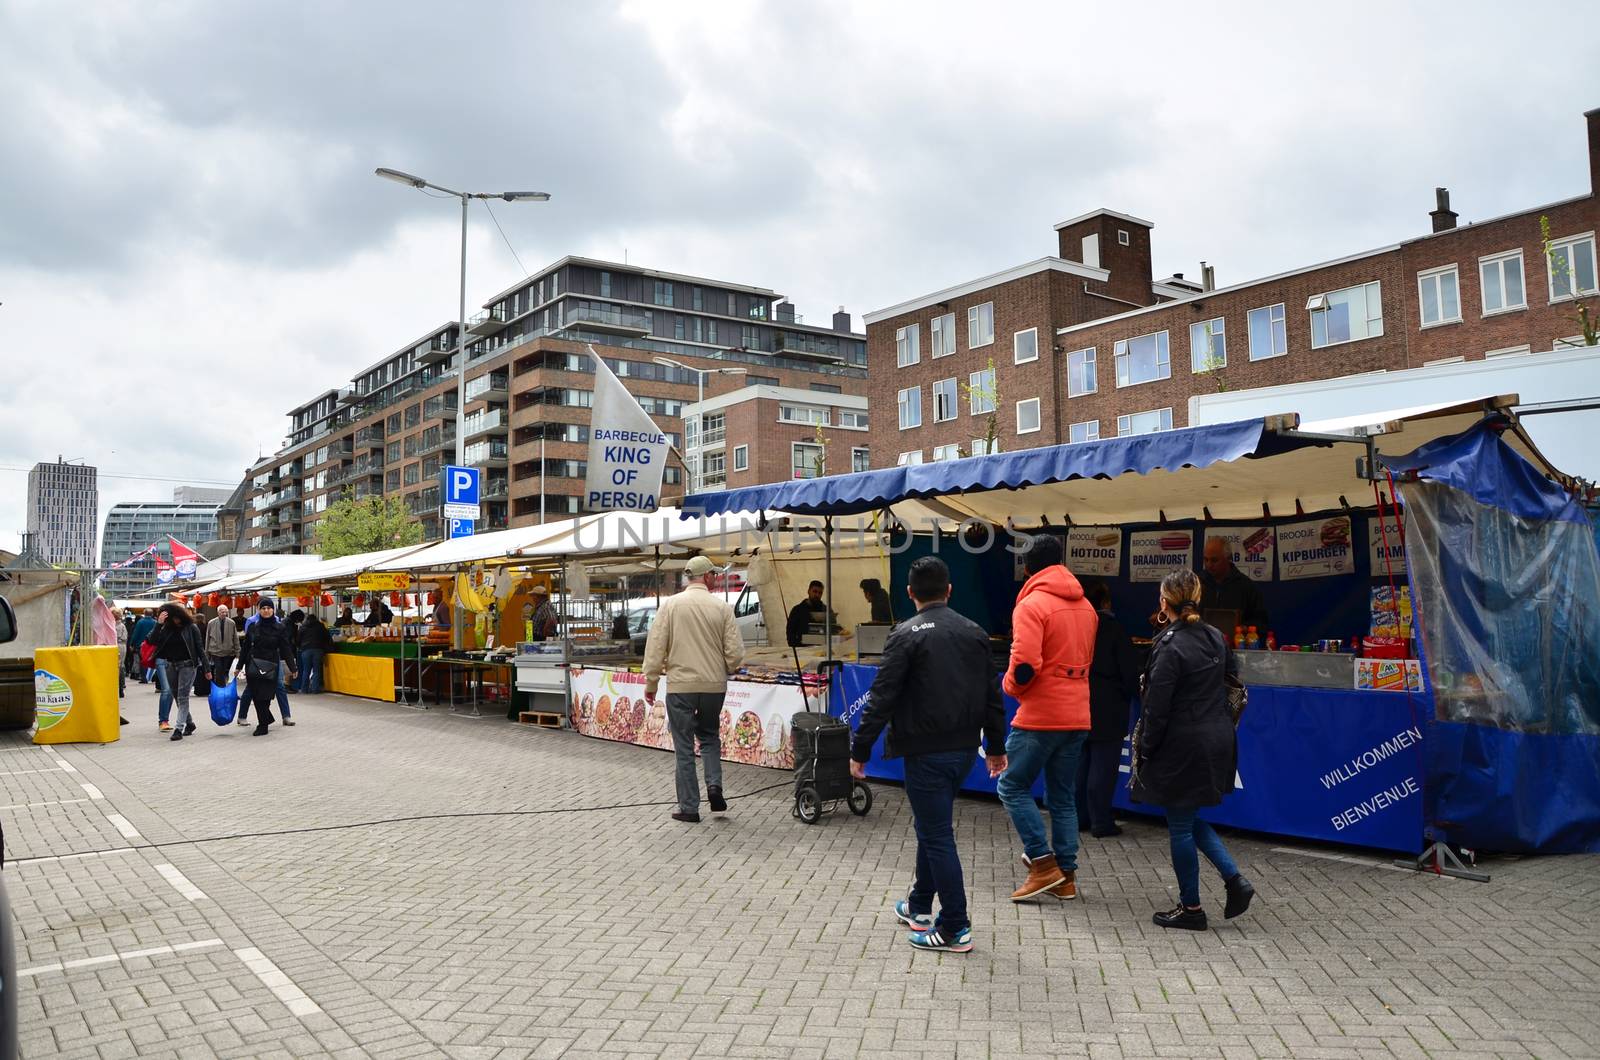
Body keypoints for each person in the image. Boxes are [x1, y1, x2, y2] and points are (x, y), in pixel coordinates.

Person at [850, 556, 1007, 953]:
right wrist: (996, 746)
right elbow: (993, 696)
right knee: (931, 827)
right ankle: (919, 904)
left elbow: (881, 698)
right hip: (962, 751)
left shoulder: (905, 634)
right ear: (949, 590)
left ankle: (955, 925)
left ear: (909, 593)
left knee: (936, 834)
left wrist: (860, 749)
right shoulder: (974, 632)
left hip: (926, 752)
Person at [1130, 569, 1255, 930]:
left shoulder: (1168, 644)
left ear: (1164, 601)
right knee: (1183, 817)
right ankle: (1235, 882)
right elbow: (1234, 685)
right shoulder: (1216, 636)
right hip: (1217, 735)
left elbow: (1156, 706)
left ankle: (1192, 908)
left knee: (1180, 826)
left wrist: (1147, 749)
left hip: (1183, 741)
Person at [996, 533, 1099, 902]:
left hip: (1041, 715)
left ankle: (1042, 864)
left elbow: (1024, 666)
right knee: (1063, 797)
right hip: (1078, 714)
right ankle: (1066, 878)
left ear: (1028, 569)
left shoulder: (1031, 604)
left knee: (1011, 785)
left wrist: (1010, 687)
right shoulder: (1086, 606)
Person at [642, 555, 744, 824]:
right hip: (713, 686)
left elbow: (655, 648)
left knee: (684, 746)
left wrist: (651, 682)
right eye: (714, 574)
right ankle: (714, 787)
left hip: (681, 687)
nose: (716, 578)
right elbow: (734, 655)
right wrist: (727, 667)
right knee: (710, 736)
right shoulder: (722, 608)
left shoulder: (671, 606)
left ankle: (689, 807)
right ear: (707, 576)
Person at [1076, 580, 1139, 838]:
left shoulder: (1076, 627)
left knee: (1081, 764)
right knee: (1103, 767)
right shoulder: (1114, 629)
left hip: (1078, 702)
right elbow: (1128, 672)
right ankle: (1101, 821)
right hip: (1108, 707)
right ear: (1104, 602)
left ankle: (1080, 817)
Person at [236, 599, 298, 736]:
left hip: (271, 665)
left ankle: (264, 722)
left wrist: (293, 667)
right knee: (256, 695)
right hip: (254, 665)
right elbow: (245, 648)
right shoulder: (253, 627)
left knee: (266, 695)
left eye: (268, 608)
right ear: (259, 610)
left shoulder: (280, 628)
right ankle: (264, 722)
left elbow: (285, 649)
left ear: (273, 610)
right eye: (263, 608)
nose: (266, 610)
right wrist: (239, 666)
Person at [147, 604, 205, 741]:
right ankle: (190, 723)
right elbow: (151, 640)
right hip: (170, 664)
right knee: (176, 694)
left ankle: (179, 728)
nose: (170, 620)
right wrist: (158, 624)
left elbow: (200, 648)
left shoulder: (191, 627)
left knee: (182, 697)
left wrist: (207, 669)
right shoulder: (165, 628)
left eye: (167, 616)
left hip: (188, 665)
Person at [1200, 537, 1269, 635]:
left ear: (1228, 558)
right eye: (1206, 560)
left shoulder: (1246, 586)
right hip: (1202, 646)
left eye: (1214, 560)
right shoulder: (1196, 584)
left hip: (1235, 647)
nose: (1209, 565)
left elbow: (1261, 623)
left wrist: (1244, 628)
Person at [205, 604, 240, 692]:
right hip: (215, 651)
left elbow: (235, 638)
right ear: (218, 612)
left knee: (223, 670)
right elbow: (207, 638)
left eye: (226, 612)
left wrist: (238, 652)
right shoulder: (211, 623)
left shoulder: (231, 623)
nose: (224, 613)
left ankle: (220, 687)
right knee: (219, 669)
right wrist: (206, 653)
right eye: (222, 612)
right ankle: (221, 688)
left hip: (228, 651)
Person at [786, 580, 830, 647]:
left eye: (820, 593)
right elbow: (790, 633)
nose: (817, 595)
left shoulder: (826, 610)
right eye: (815, 591)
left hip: (821, 651)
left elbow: (832, 630)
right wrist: (796, 648)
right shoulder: (797, 610)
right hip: (802, 651)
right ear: (808, 591)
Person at [298, 613, 333, 694]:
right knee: (316, 670)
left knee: (306, 670)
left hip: (306, 650)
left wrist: (300, 646)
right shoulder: (321, 626)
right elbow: (327, 637)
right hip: (318, 649)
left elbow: (298, 639)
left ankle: (304, 689)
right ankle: (315, 689)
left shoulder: (303, 627)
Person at [129, 609, 156, 684]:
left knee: (142, 661)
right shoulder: (155, 622)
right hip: (152, 644)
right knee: (152, 660)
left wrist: (132, 644)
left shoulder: (140, 622)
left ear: (144, 613)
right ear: (152, 614)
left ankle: (144, 677)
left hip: (141, 645)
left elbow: (136, 634)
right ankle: (151, 676)